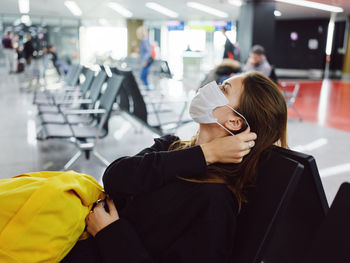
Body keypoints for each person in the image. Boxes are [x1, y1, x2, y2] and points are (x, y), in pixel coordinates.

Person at [63, 71, 288, 262]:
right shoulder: (172, 146)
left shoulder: (215, 200)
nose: (212, 88)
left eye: (224, 88)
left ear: (234, 122)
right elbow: (115, 177)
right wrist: (205, 153)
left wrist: (109, 234)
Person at [136, 26, 152, 90]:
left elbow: (148, 51)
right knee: (144, 76)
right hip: (145, 60)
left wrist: (145, 60)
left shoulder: (144, 40)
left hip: (146, 61)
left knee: (143, 76)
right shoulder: (144, 40)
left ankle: (148, 88)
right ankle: (147, 88)